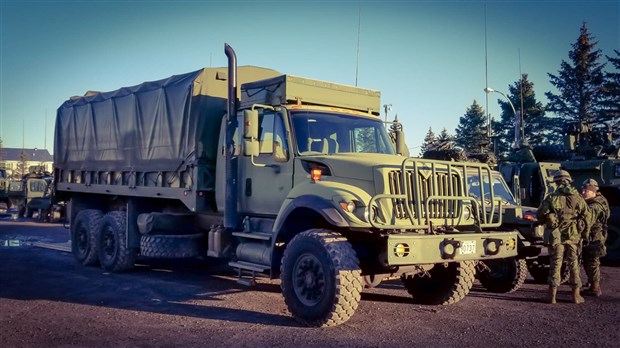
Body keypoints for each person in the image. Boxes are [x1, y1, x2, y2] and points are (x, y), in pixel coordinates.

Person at [537, 170, 590, 304]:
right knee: (574, 264)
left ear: (556, 182)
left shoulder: (551, 197)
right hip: (573, 235)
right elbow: (587, 216)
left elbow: (540, 214)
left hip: (556, 235)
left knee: (556, 263)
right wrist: (585, 234)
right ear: (569, 181)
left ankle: (552, 296)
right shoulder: (578, 197)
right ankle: (575, 296)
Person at [580, 178, 610, 297]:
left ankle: (595, 288)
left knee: (592, 261)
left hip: (594, 236)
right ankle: (591, 282)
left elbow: (587, 220)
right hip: (596, 234)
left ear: (593, 191)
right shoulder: (599, 200)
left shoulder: (595, 205)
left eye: (586, 190)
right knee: (590, 260)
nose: (583, 192)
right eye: (582, 190)